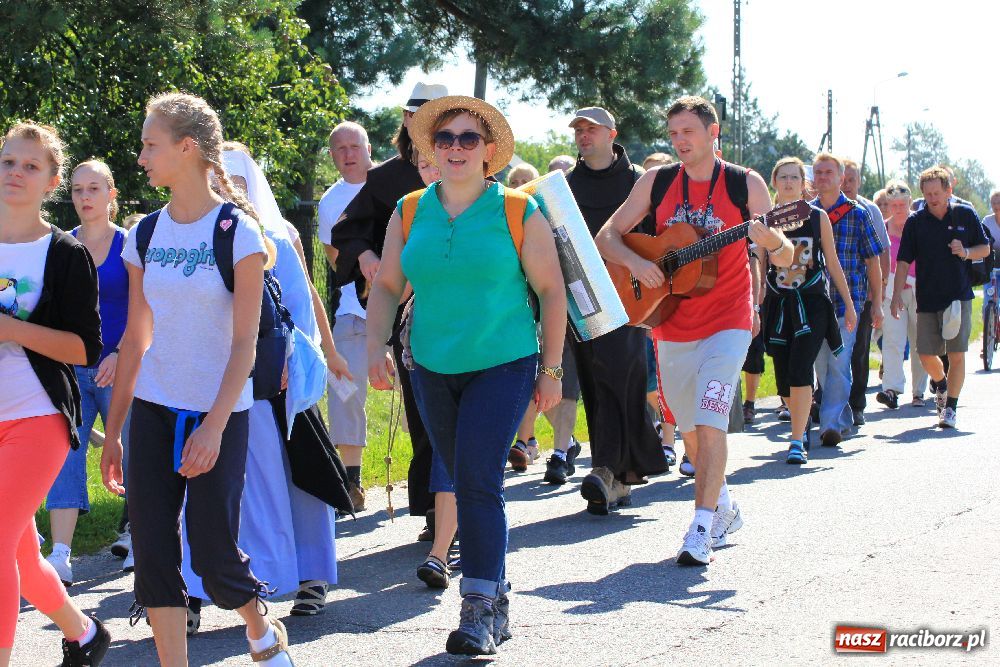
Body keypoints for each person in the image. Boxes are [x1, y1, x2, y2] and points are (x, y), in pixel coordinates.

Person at [365, 95, 566, 655]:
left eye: (468, 139)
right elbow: (385, 284)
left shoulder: (518, 212)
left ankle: (477, 605)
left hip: (503, 362)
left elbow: (552, 292)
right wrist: (376, 346)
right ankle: (497, 591)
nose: (455, 148)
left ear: (489, 151)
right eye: (445, 139)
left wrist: (550, 369)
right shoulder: (409, 210)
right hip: (430, 364)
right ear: (431, 147)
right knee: (457, 475)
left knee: (477, 480)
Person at [100, 92, 293, 666]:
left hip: (219, 413)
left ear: (187, 149)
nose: (140, 158)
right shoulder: (145, 233)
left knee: (211, 553)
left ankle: (260, 631)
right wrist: (114, 432)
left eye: (149, 145)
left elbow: (245, 344)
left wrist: (211, 427)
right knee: (155, 554)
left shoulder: (239, 233)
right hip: (154, 413)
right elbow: (135, 340)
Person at [596, 95, 794, 565]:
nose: (680, 141)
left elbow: (785, 256)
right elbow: (608, 235)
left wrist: (774, 240)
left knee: (710, 421)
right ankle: (724, 506)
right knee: (689, 431)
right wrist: (638, 263)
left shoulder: (745, 184)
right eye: (674, 134)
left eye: (688, 132)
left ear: (713, 132)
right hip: (671, 323)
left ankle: (700, 528)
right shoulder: (657, 181)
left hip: (729, 322)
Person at [178, 145, 351, 630]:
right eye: (217, 175)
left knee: (296, 482)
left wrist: (291, 372)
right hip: (199, 385)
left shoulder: (273, 236)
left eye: (235, 177)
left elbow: (300, 311)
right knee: (199, 488)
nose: (225, 186)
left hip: (272, 386)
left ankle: (310, 574)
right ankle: (190, 590)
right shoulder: (184, 234)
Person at [0, 122, 111, 666]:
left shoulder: (65, 254)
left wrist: (12, 330)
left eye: (30, 166)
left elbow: (84, 349)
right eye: (8, 162)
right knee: (16, 553)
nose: (16, 173)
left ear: (51, 180)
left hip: (37, 417)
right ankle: (85, 633)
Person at [329, 82, 448, 530]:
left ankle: (461, 510)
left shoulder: (474, 173)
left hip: (469, 313)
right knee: (423, 412)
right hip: (407, 315)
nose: (422, 124)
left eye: (433, 115)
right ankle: (437, 512)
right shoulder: (383, 180)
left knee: (458, 417)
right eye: (414, 114)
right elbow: (348, 232)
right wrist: (365, 255)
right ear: (404, 120)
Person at [564, 106, 667, 512]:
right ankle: (619, 474)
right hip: (581, 297)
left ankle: (609, 469)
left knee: (622, 375)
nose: (583, 136)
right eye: (578, 131)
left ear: (612, 134)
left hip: (631, 294)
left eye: (591, 129)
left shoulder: (639, 183)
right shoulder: (565, 187)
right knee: (593, 379)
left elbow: (658, 239)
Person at [43, 160, 131, 585]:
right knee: (65, 456)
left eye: (94, 188)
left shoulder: (129, 245)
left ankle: (136, 535)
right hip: (72, 371)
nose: (84, 197)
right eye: (77, 190)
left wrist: (120, 353)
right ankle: (61, 554)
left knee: (132, 451)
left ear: (111, 194)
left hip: (121, 368)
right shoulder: (61, 246)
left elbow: (147, 310)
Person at [762, 157, 855, 463]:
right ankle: (798, 418)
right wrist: (755, 304)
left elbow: (832, 261)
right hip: (779, 305)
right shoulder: (765, 221)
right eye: (783, 177)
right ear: (774, 182)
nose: (788, 182)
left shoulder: (817, 218)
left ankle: (797, 439)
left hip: (812, 303)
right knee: (785, 375)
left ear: (804, 184)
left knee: (802, 367)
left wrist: (849, 305)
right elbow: (759, 268)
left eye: (795, 177)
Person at [891, 166, 990, 429]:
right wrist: (895, 296)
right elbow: (903, 261)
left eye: (937, 192)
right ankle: (942, 384)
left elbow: (985, 247)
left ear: (949, 190)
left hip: (958, 296)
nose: (933, 198)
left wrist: (966, 251)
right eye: (928, 194)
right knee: (925, 354)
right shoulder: (916, 221)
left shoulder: (965, 214)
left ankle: (951, 408)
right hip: (927, 297)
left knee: (956, 354)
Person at [318, 121, 374, 511]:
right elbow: (337, 261)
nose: (349, 153)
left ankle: (434, 480)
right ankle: (351, 481)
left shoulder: (390, 186)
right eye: (340, 148)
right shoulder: (329, 202)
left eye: (355, 145)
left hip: (410, 307)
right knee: (343, 388)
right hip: (353, 310)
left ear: (368, 148)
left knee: (418, 397)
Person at [810, 153, 883, 447]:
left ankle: (829, 424)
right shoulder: (806, 213)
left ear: (842, 178)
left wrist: (877, 303)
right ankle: (840, 417)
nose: (823, 177)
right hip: (814, 303)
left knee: (840, 364)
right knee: (822, 365)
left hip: (848, 303)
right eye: (818, 172)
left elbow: (872, 262)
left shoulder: (858, 213)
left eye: (829, 172)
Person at [842, 159, 890, 426]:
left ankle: (857, 404)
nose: (847, 184)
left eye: (852, 179)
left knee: (859, 351)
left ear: (859, 181)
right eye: (844, 178)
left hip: (862, 294)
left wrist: (878, 295)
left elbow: (881, 253)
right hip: (831, 295)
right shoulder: (825, 208)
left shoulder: (868, 210)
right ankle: (828, 402)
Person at [875, 180, 928, 410]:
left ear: (910, 203)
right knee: (893, 341)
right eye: (893, 204)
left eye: (902, 204)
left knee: (919, 343)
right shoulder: (883, 229)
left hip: (919, 290)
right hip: (891, 292)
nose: (897, 209)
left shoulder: (920, 226)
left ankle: (919, 392)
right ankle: (892, 389)